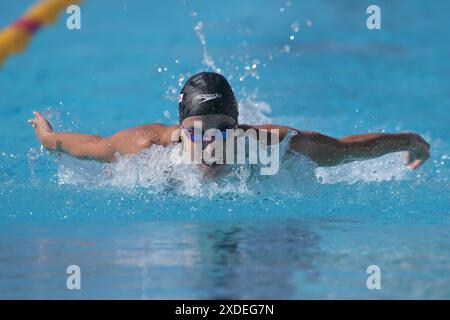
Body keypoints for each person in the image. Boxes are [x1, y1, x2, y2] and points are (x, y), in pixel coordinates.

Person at [29, 72, 430, 173]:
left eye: (222, 130)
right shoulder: (147, 147)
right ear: (180, 127)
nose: (210, 144)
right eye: (197, 132)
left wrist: (409, 140)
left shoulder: (273, 144)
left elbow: (344, 150)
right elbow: (88, 145)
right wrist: (47, 136)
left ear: (238, 126)